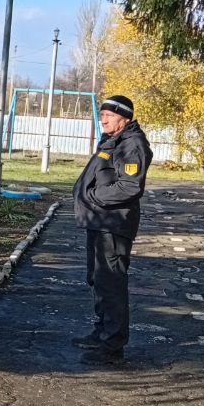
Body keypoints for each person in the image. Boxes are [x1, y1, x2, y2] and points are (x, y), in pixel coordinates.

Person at [72, 94, 153, 365]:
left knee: (112, 284)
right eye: (101, 114)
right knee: (98, 280)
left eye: (108, 115)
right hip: (100, 222)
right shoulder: (112, 140)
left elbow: (130, 186)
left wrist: (93, 197)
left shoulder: (133, 144)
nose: (102, 118)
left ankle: (112, 347)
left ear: (124, 118)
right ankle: (102, 332)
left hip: (114, 225)